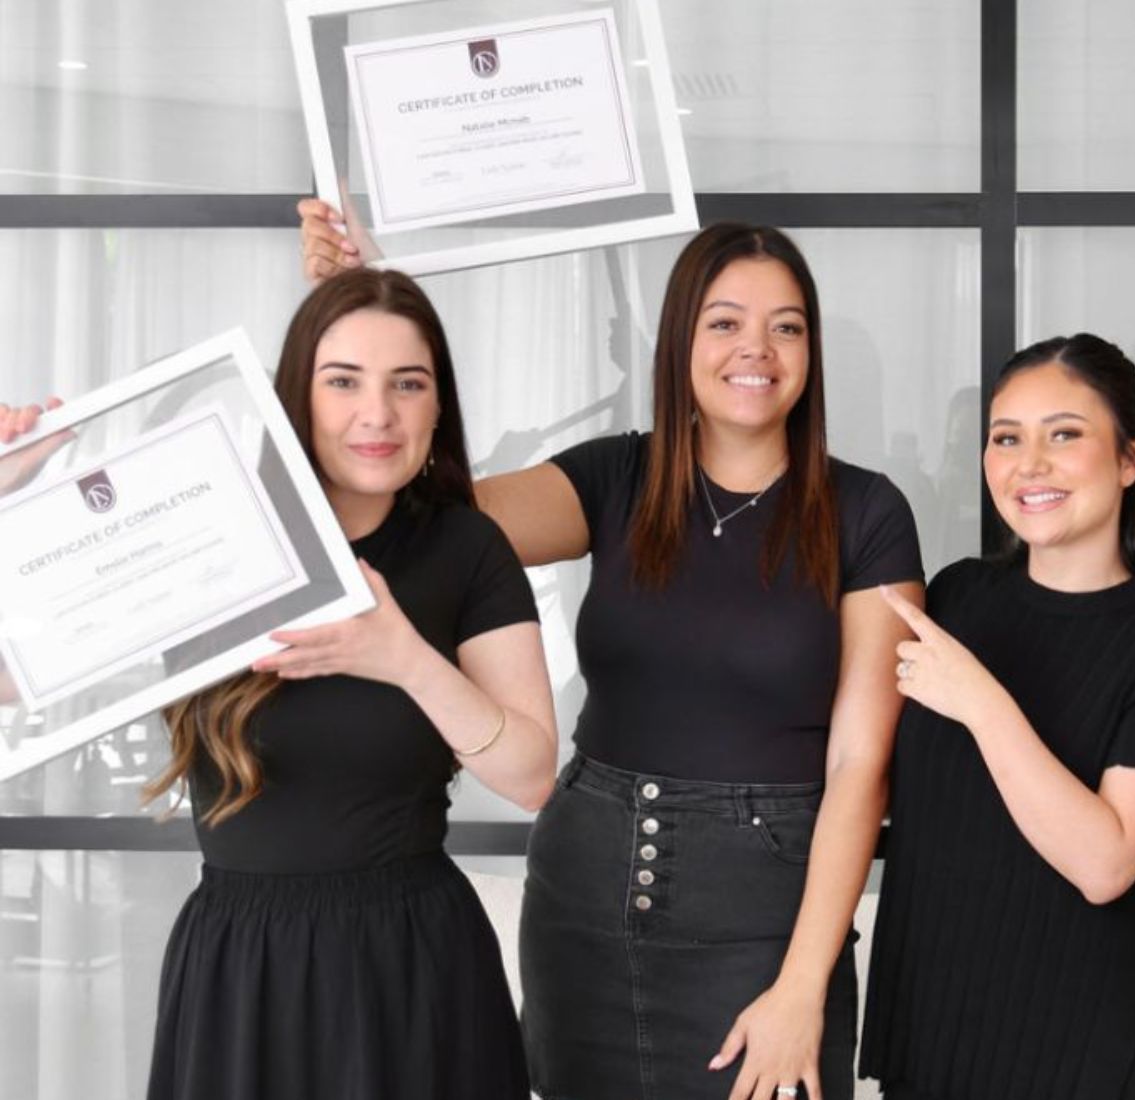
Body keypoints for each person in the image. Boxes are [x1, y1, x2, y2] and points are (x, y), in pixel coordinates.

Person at [300, 205, 926, 1100]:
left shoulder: (868, 515)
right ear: (678, 342)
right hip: (582, 903)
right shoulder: (614, 480)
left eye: (785, 327)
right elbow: (420, 512)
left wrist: (801, 986)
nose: (757, 348)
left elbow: (863, 767)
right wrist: (368, 321)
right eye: (725, 324)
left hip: (764, 924)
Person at [0, 268, 560, 1099]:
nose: (378, 414)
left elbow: (532, 775)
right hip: (241, 969)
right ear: (296, 397)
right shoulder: (210, 532)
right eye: (343, 383)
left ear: (438, 405)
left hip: (413, 967)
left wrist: (403, 656)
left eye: (408, 384)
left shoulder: (466, 549)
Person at [859, 333, 1135, 1100]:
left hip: (1086, 1058)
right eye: (1006, 439)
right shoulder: (956, 597)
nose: (1029, 464)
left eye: (1064, 435)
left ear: (1133, 458)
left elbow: (1104, 865)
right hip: (935, 1040)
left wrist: (982, 702)